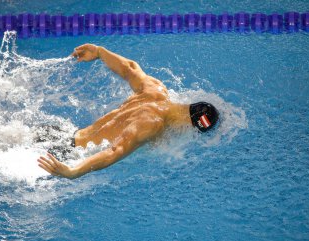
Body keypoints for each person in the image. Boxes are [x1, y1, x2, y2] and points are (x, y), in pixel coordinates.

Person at [37, 44, 219, 179]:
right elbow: (116, 150)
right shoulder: (153, 124)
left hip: (60, 132)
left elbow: (130, 68)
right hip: (62, 153)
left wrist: (100, 52)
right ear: (191, 125)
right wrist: (73, 171)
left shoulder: (156, 90)